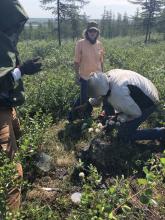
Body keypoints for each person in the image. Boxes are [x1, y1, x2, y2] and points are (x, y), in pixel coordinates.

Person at [0, 0, 42, 211]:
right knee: (10, 172)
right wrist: (21, 71)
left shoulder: (4, 40)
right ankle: (11, 213)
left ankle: (32, 165)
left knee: (20, 136)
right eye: (14, 24)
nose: (16, 29)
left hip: (7, 107)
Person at [88, 69, 165, 142]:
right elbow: (100, 95)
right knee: (107, 99)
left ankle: (161, 132)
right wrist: (88, 103)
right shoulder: (107, 76)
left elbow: (136, 114)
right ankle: (109, 121)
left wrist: (119, 118)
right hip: (147, 87)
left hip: (149, 102)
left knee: (125, 134)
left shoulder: (118, 94)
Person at [68, 22, 104, 121]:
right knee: (83, 98)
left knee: (95, 97)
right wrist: (76, 76)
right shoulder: (80, 43)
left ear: (97, 33)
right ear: (87, 32)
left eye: (95, 31)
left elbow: (101, 61)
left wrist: (103, 75)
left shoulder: (99, 44)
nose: (92, 33)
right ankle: (76, 115)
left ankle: (87, 114)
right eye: (90, 31)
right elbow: (76, 61)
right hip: (85, 76)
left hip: (97, 77)